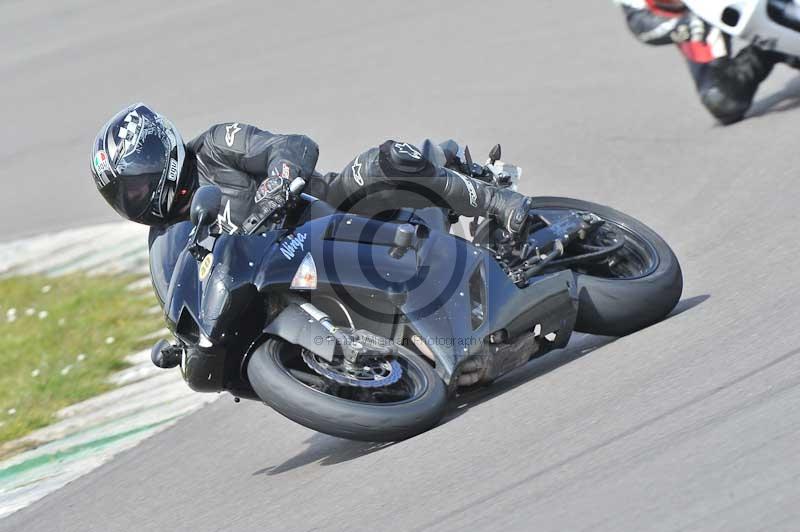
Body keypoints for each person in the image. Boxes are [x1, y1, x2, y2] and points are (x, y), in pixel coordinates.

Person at [90, 103, 531, 238]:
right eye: (123, 198)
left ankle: (496, 199)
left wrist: (277, 182)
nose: (135, 200)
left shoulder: (215, 146)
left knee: (386, 160)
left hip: (332, 211)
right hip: (286, 276)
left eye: (136, 187)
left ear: (160, 160)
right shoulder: (166, 237)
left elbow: (291, 145)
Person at [617, 0, 787, 124]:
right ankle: (770, 50)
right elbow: (640, 23)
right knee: (722, 99)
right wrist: (682, 27)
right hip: (696, 17)